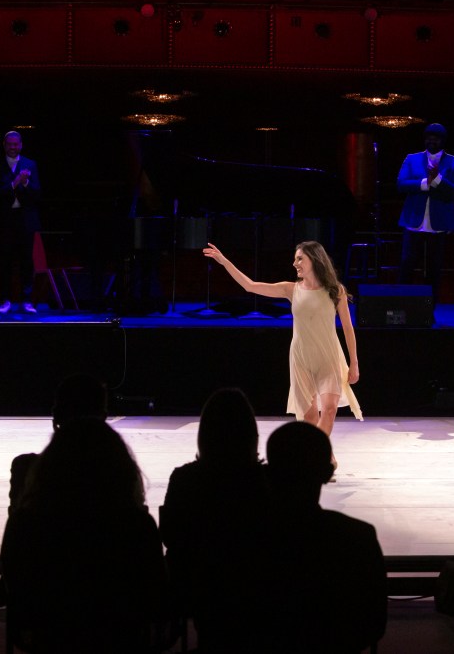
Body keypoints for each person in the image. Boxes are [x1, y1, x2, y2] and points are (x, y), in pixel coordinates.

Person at [0, 411, 169, 652]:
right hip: (120, 640)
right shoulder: (136, 525)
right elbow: (155, 596)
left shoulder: (26, 523)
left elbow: (17, 586)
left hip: (52, 639)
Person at [203, 240, 362, 473]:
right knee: (309, 417)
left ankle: (316, 457)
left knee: (329, 408)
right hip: (301, 358)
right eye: (295, 258)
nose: (294, 263)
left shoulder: (334, 290)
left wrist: (354, 362)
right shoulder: (291, 289)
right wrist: (224, 261)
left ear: (314, 260)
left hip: (328, 356)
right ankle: (324, 453)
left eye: (300, 258)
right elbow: (250, 286)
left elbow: (348, 328)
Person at [160, 387, 270, 653]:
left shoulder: (185, 480)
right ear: (251, 436)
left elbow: (170, 535)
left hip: (200, 593)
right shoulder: (269, 482)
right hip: (259, 593)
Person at [264, 421, 387, 654]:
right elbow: (374, 624)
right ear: (327, 473)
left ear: (268, 472)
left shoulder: (243, 539)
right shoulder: (357, 537)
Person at [7, 373, 109, 515]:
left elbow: (16, 528)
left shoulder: (25, 467)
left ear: (56, 416)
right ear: (103, 417)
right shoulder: (119, 470)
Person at [396, 122, 454, 304]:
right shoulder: (412, 159)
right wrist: (426, 182)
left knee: (433, 269)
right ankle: (402, 306)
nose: (431, 140)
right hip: (414, 222)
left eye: (435, 137)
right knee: (407, 266)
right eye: (428, 137)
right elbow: (401, 184)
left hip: (439, 224)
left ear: (442, 140)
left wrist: (438, 180)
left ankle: (429, 310)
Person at [0, 130, 42, 315]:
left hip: (25, 220)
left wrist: (25, 183)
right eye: (9, 144)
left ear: (20, 145)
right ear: (4, 145)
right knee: (5, 262)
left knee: (27, 262)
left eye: (16, 144)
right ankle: (5, 300)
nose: (13, 147)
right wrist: (15, 183)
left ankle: (27, 301)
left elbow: (38, 194)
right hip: (5, 221)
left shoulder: (31, 165)